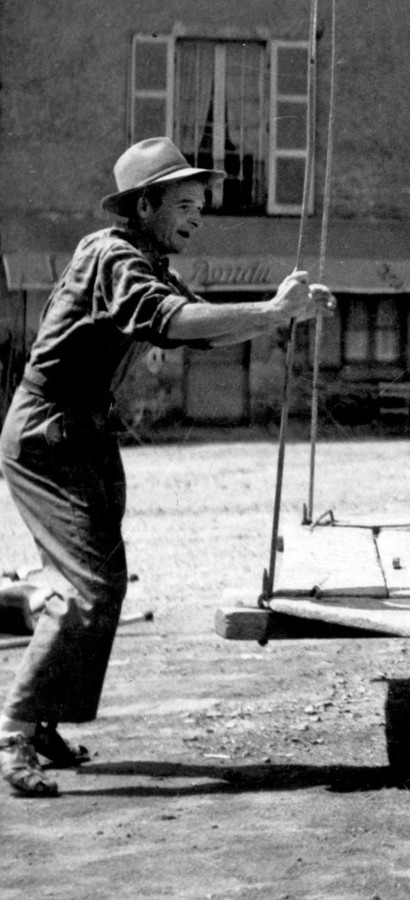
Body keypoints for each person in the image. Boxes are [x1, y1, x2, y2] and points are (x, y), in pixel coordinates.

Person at [0, 137, 335, 797]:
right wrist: (271, 311)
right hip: (48, 435)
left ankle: (41, 724)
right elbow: (172, 321)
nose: (196, 217)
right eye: (184, 205)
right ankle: (14, 732)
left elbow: (201, 329)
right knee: (88, 587)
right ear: (144, 206)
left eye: (200, 206)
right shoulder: (112, 256)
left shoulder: (144, 260)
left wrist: (279, 313)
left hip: (81, 433)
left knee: (99, 585)